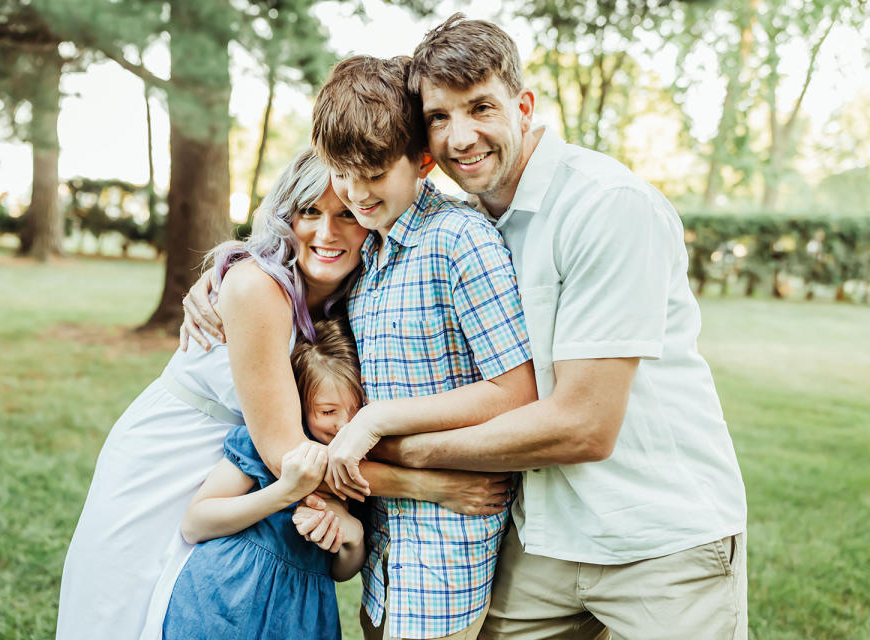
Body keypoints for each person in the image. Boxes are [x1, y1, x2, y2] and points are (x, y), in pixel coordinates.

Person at [362, 14, 748, 640]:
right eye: (439, 116)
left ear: (523, 105)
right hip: (540, 537)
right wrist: (236, 272)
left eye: (480, 107)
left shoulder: (605, 206)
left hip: (662, 540)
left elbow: (584, 425)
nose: (461, 137)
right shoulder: (464, 228)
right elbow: (338, 212)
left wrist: (404, 451)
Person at [57, 149, 511, 640]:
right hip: (168, 457)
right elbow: (289, 458)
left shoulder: (349, 294)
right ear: (285, 215)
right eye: (309, 212)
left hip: (230, 467)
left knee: (180, 605)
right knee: (117, 610)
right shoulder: (257, 285)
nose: (326, 233)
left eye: (346, 214)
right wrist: (429, 485)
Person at [312, 55, 537, 640]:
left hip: (443, 555)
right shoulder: (371, 253)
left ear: (423, 160)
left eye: (375, 172)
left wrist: (377, 419)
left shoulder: (458, 240)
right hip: (387, 560)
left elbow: (516, 392)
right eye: (342, 172)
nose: (356, 193)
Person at [161, 319, 367, 640]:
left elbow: (342, 572)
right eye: (328, 411)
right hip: (225, 601)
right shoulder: (264, 446)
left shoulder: (359, 469)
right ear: (300, 405)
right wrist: (286, 491)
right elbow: (194, 524)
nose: (345, 424)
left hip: (301, 616)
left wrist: (351, 535)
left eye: (358, 411)